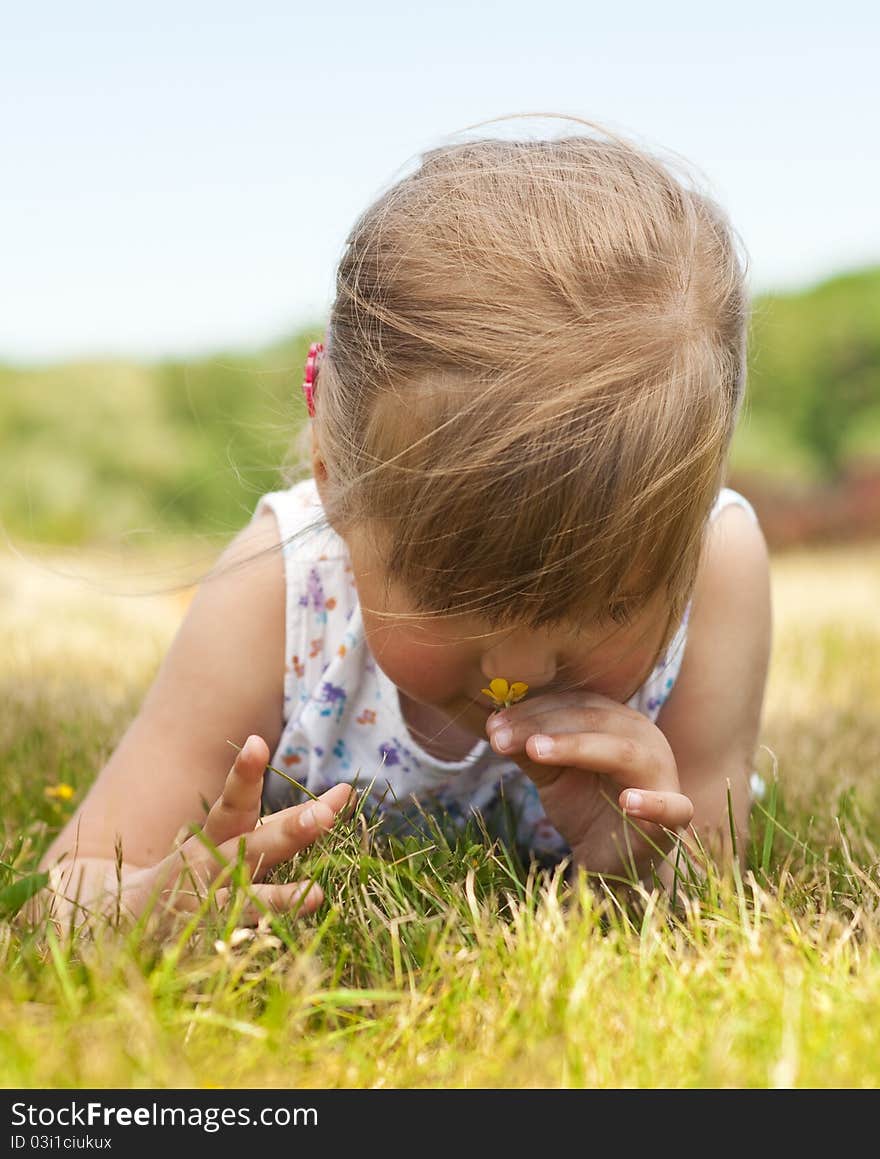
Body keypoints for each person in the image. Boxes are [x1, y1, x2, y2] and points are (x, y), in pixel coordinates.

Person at [34, 116, 772, 931]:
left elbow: (713, 910)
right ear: (335, 486)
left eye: (609, 606)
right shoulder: (280, 591)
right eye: (453, 598)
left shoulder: (719, 562)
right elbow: (58, 895)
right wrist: (137, 910)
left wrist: (631, 870)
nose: (517, 671)